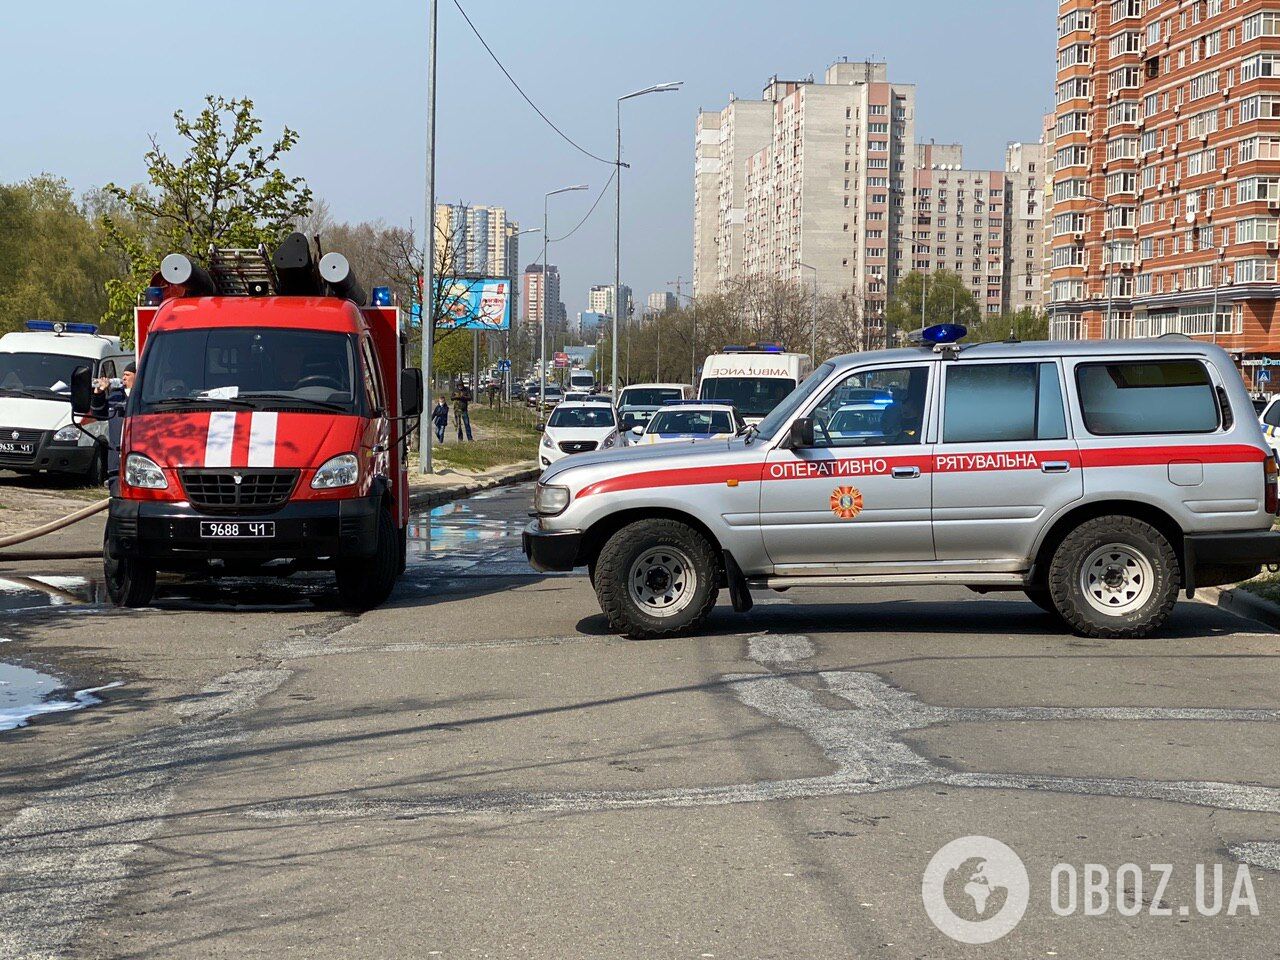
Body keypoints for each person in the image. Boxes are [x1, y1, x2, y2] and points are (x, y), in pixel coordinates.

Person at [89, 361, 135, 489]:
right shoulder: (116, 395)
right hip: (115, 460)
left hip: (135, 459)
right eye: (123, 375)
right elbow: (99, 414)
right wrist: (98, 393)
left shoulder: (141, 396)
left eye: (127, 374)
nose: (123, 378)